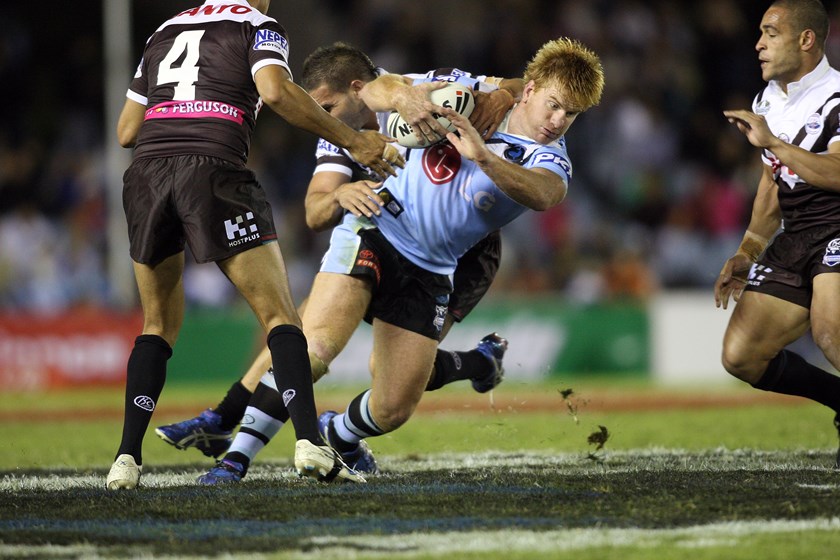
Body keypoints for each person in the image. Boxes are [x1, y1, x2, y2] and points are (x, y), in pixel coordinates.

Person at [172, 37, 604, 484]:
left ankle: (338, 432)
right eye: (554, 105)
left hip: (435, 267)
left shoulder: (548, 157)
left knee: (394, 405)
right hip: (378, 226)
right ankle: (234, 460)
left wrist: (483, 156)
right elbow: (376, 89)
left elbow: (544, 194)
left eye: (571, 114)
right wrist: (404, 98)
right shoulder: (458, 93)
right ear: (531, 90)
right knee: (316, 345)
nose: (558, 121)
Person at [105, 0, 403, 490]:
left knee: (156, 325)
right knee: (280, 316)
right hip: (213, 168)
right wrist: (351, 140)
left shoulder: (164, 30)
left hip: (147, 176)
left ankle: (125, 459)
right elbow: (275, 90)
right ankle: (310, 443)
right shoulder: (256, 25)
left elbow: (125, 131)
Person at [715, 0, 840, 468]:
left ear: (806, 40)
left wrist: (774, 142)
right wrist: (748, 249)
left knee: (830, 331)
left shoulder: (837, 97)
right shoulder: (767, 101)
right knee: (741, 356)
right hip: (798, 232)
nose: (758, 44)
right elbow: (772, 181)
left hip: (838, 225)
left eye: (771, 33)